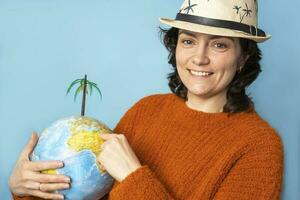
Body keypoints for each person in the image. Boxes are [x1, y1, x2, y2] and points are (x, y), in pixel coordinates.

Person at [9, 0, 284, 199]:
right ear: (175, 46)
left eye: (219, 44)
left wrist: (133, 177)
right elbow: (88, 193)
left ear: (243, 57)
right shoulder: (145, 110)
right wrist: (26, 189)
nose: (199, 57)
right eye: (188, 41)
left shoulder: (259, 146)